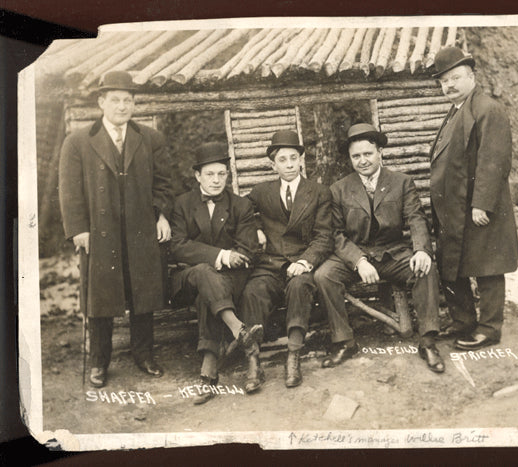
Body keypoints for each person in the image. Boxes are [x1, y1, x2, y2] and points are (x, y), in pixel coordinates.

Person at [58, 70, 173, 388]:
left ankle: (144, 355)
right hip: (99, 232)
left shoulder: (150, 138)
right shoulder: (78, 142)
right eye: (116, 100)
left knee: (143, 294)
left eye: (128, 100)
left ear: (134, 104)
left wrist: (160, 215)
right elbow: (69, 191)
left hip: (139, 230)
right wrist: (78, 229)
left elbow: (164, 184)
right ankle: (99, 362)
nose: (122, 106)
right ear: (101, 102)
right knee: (100, 298)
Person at [314, 123, 445, 374]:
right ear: (350, 159)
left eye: (368, 153)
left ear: (379, 152)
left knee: (425, 269)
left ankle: (428, 341)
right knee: (324, 275)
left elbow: (416, 218)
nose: (363, 161)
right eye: (356, 156)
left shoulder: (401, 182)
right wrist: (359, 261)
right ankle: (344, 341)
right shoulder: (339, 189)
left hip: (392, 253)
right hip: (355, 254)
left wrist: (421, 250)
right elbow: (335, 234)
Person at [430, 47, 518, 350]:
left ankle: (489, 329)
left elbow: (494, 160)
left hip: (477, 207)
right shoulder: (456, 111)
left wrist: (481, 203)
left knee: (487, 267)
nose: (450, 85)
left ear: (472, 76)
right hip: (455, 207)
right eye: (444, 81)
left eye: (456, 78)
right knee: (455, 265)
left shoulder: (486, 108)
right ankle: (464, 322)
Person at [170, 142, 263, 404]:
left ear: (228, 175)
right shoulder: (182, 204)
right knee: (202, 272)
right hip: (187, 277)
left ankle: (208, 374)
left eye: (222, 174)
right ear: (197, 176)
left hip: (228, 280)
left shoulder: (240, 205)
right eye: (209, 174)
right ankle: (238, 329)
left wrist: (231, 259)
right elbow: (177, 246)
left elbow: (247, 249)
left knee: (207, 294)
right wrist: (221, 255)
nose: (216, 180)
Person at [239, 130, 333, 389]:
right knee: (253, 291)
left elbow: (325, 236)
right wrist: (256, 227)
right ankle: (253, 361)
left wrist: (305, 262)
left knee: (300, 287)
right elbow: (242, 213)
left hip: (302, 262)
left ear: (302, 160)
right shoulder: (261, 192)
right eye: (283, 160)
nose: (289, 164)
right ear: (273, 164)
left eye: (294, 158)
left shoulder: (319, 192)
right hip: (270, 263)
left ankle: (293, 355)